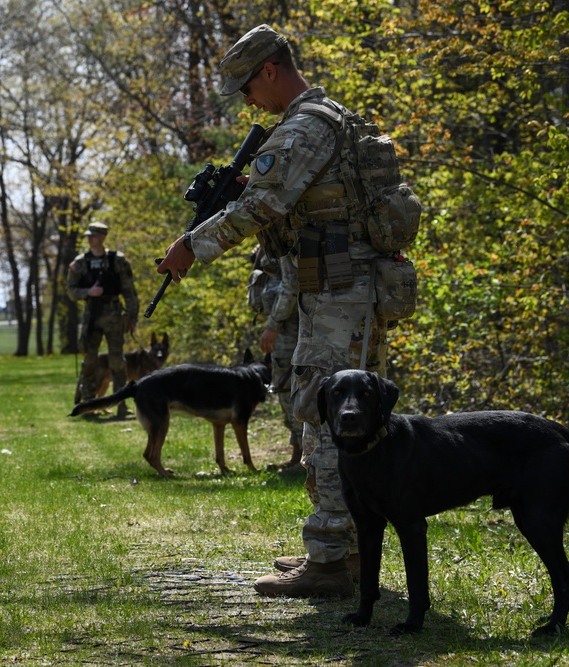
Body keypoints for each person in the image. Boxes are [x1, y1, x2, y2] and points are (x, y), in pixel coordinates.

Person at [156, 24, 393, 598]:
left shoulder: (307, 125)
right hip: (334, 289)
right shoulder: (324, 120)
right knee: (329, 414)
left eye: (246, 88)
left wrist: (192, 246)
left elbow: (262, 206)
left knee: (336, 418)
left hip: (340, 292)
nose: (246, 102)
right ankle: (344, 548)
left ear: (270, 70)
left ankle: (332, 561)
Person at [68, 222, 140, 413]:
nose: (90, 239)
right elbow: (71, 291)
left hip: (114, 316)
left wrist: (132, 317)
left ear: (102, 237)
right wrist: (88, 292)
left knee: (117, 361)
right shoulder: (80, 263)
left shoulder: (118, 261)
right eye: (88, 236)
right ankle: (89, 403)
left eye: (93, 235)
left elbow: (129, 292)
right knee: (90, 360)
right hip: (92, 316)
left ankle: (120, 403)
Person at [248, 247, 303, 473]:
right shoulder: (269, 244)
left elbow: (291, 286)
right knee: (285, 390)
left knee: (291, 391)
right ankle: (297, 454)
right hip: (284, 329)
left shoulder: (285, 241)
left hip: (289, 330)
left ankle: (303, 459)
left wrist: (273, 325)